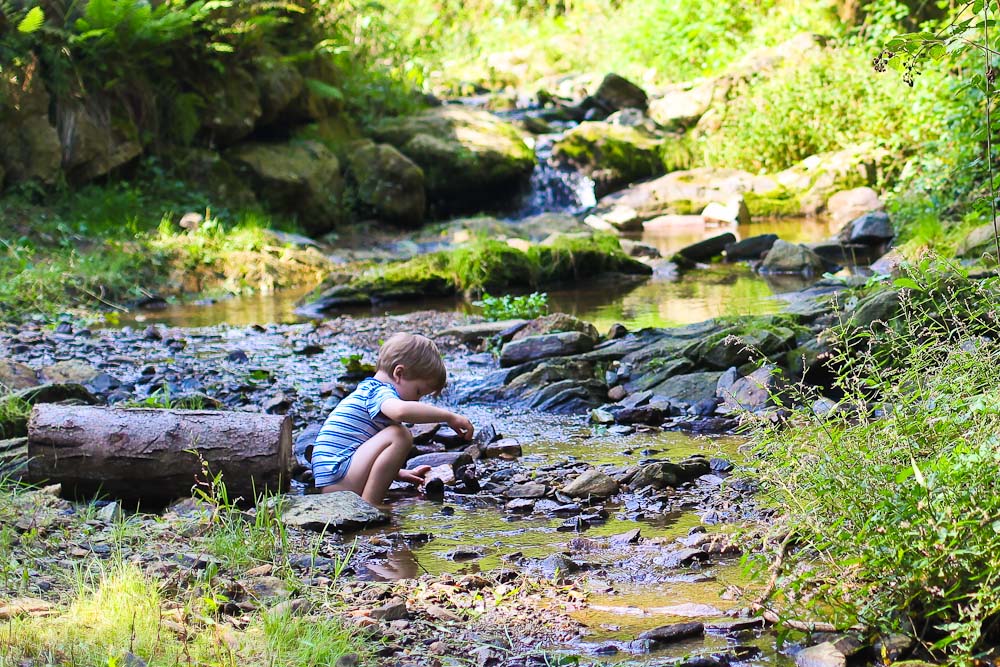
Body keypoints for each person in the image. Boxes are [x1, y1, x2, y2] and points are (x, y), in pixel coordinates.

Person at [311, 332, 474, 506]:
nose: (416, 402)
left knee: (395, 434)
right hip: (339, 477)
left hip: (336, 477)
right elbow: (401, 411)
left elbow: (361, 447)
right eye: (418, 392)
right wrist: (448, 417)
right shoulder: (379, 392)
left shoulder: (368, 390)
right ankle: (369, 507)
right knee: (399, 435)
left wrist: (398, 473)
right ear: (399, 373)